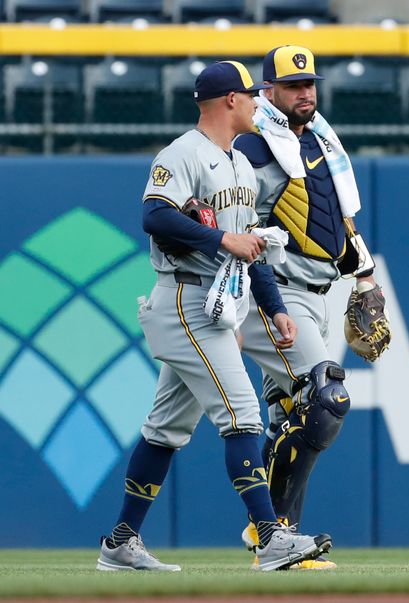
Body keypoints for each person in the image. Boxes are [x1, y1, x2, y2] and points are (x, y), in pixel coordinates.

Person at [96, 61, 332, 573]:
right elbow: (154, 215)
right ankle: (271, 537)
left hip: (216, 302)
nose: (256, 103)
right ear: (229, 101)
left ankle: (120, 541)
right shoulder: (182, 153)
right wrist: (223, 238)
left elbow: (253, 248)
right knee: (243, 415)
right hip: (183, 299)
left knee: (165, 430)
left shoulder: (241, 166)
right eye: (250, 96)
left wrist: (274, 309)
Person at [233, 46, 386, 570]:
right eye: (294, 85)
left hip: (319, 293)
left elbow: (336, 222)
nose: (306, 93)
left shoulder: (321, 143)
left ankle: (280, 543)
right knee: (328, 399)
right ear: (268, 91)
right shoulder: (253, 149)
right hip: (274, 293)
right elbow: (237, 222)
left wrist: (364, 277)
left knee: (287, 419)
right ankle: (271, 532)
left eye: (310, 84)